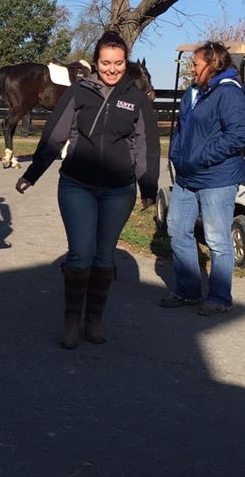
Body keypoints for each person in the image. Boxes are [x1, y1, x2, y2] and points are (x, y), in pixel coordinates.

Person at [15, 31, 160, 349]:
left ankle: (94, 319)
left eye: (118, 63)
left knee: (104, 258)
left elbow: (145, 146)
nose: (112, 69)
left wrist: (148, 186)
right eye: (106, 63)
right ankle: (71, 318)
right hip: (77, 185)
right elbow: (54, 135)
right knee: (81, 254)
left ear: (126, 63)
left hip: (118, 191)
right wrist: (33, 172)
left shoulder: (135, 99)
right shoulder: (79, 91)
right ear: (96, 63)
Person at [160, 41, 245, 315]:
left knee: (217, 239)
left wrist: (201, 156)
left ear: (212, 63)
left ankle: (220, 298)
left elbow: (237, 135)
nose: (191, 69)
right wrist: (177, 154)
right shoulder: (194, 92)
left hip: (217, 178)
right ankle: (188, 291)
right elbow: (183, 129)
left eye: (195, 64)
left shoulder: (229, 93)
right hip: (187, 176)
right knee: (176, 230)